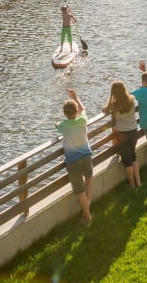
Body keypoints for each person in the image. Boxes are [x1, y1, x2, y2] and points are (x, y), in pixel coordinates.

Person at [56, 89, 93, 225]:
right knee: (88, 178)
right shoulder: (83, 120)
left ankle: (88, 217)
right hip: (87, 156)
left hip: (73, 161)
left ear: (65, 114)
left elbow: (57, 126)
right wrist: (76, 97)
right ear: (77, 111)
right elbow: (83, 108)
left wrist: (57, 124)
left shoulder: (63, 125)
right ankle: (86, 208)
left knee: (79, 189)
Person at [103, 81, 141, 190]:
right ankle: (139, 183)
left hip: (121, 134)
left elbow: (105, 109)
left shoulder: (114, 105)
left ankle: (132, 185)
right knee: (133, 157)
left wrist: (111, 98)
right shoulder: (132, 99)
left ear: (113, 93)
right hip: (133, 131)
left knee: (127, 161)